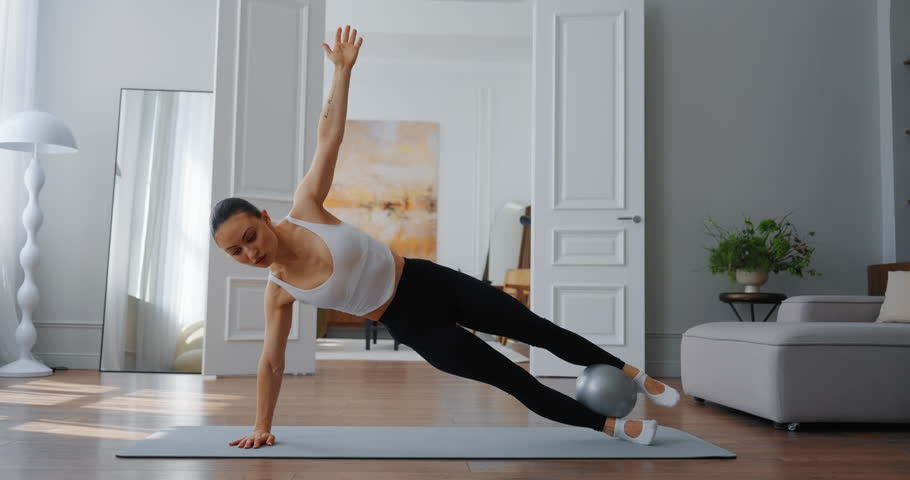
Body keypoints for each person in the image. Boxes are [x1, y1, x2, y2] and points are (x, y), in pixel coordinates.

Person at [212, 26, 679, 450]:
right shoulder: (279, 293)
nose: (250, 252)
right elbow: (271, 363)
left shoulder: (306, 207)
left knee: (538, 330)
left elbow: (328, 138)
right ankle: (618, 429)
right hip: (414, 326)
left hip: (431, 282)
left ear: (265, 218)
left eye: (249, 236)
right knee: (513, 380)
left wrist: (342, 72)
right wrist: (261, 423)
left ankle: (635, 375)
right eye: (236, 252)